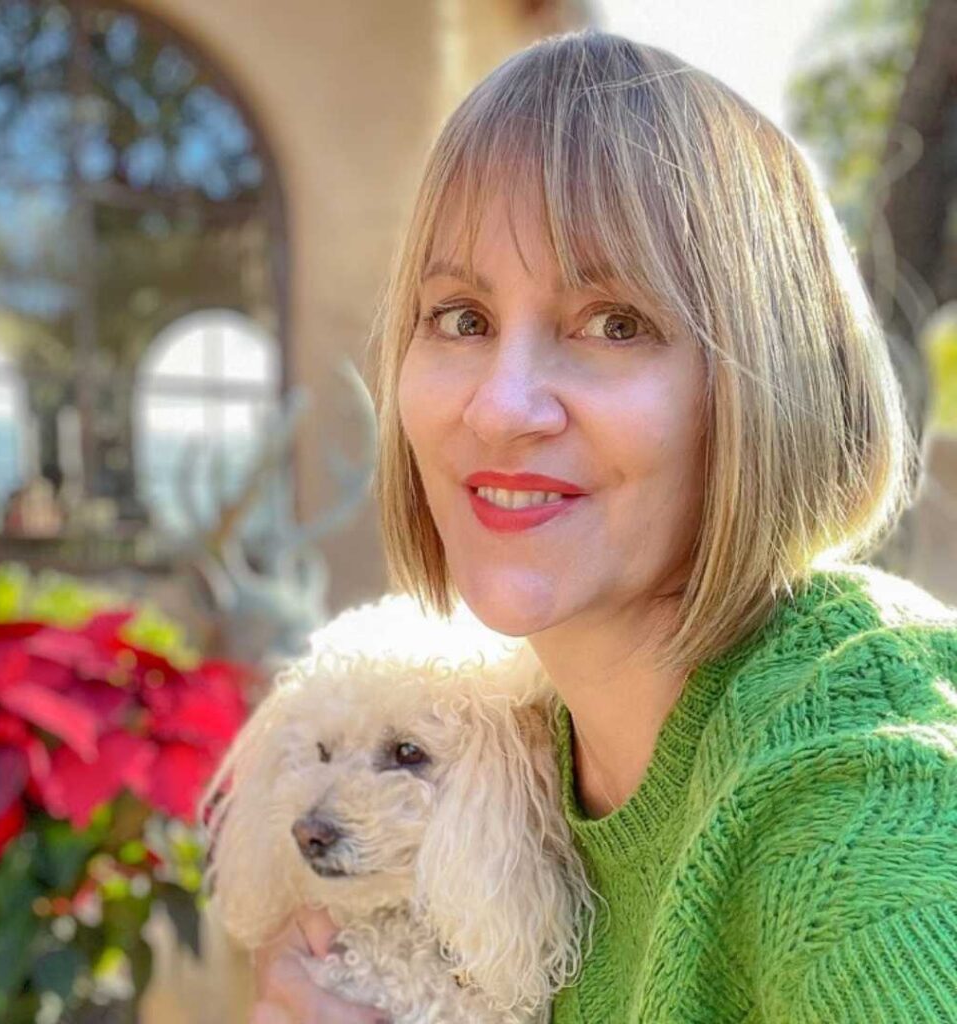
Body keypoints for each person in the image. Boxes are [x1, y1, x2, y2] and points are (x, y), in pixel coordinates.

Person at [249, 29, 957, 1023]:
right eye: (460, 318)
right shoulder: (507, 746)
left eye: (614, 322)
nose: (502, 407)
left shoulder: (864, 788)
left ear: (768, 386)